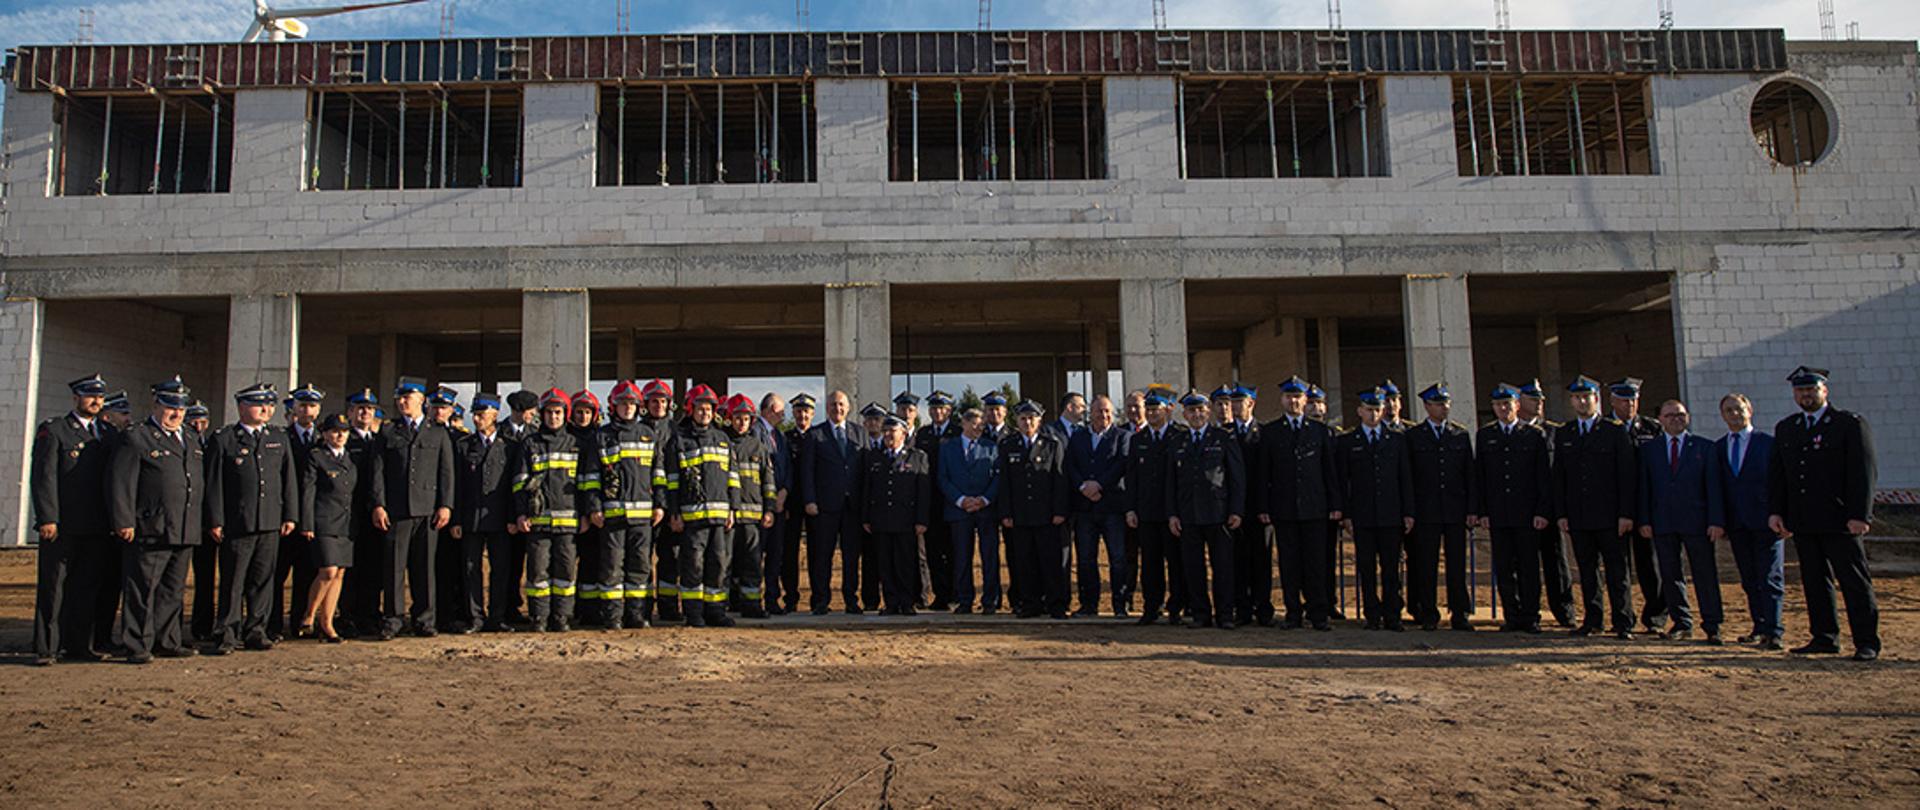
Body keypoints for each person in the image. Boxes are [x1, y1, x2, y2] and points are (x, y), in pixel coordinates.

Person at [1767, 366, 1880, 661]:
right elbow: (1781, 475)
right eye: (1800, 390)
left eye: (1811, 389)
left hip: (1840, 519)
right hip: (1804, 520)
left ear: (1824, 391)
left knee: (1854, 581)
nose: (1805, 395)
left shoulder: (1848, 424)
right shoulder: (1787, 428)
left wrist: (1861, 515)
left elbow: (1863, 472)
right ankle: (1824, 636)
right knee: (1815, 582)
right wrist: (1777, 511)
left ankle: (1866, 641)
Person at [107, 377, 205, 664]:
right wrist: (124, 520)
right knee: (143, 589)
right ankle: (137, 643)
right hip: (151, 525)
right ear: (156, 404)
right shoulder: (138, 436)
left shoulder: (189, 438)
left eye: (181, 408)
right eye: (170, 407)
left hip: (184, 525)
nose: (176, 413)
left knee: (173, 590)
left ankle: (167, 639)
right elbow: (121, 482)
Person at [203, 383, 299, 654]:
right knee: (233, 581)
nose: (266, 409)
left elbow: (287, 479)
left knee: (262, 579)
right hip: (238, 522)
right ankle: (227, 632)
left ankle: (256, 629)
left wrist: (290, 514)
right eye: (260, 404)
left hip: (269, 520)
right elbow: (214, 484)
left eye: (269, 404)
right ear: (242, 407)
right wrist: (215, 519)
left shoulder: (278, 438)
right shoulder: (225, 439)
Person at [29, 373, 119, 665]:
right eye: (90, 396)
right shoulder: (55, 430)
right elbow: (43, 478)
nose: (95, 401)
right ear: (76, 397)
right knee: (54, 587)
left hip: (96, 525)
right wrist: (47, 517)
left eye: (100, 397)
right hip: (63, 524)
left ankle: (79, 645)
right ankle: (47, 647)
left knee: (86, 587)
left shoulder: (107, 434)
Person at [368, 377, 456, 640]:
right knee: (394, 568)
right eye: (400, 398)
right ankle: (393, 619)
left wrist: (446, 505)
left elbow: (446, 473)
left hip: (428, 511)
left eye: (408, 397)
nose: (402, 402)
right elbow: (377, 472)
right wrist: (378, 504)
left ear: (421, 400)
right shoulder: (388, 432)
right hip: (396, 510)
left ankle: (424, 619)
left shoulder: (438, 432)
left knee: (424, 568)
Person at [1553, 376, 1639, 640]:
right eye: (1576, 398)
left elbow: (1627, 476)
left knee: (1617, 571)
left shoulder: (1613, 431)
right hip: (1579, 516)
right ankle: (1593, 620)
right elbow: (1560, 477)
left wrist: (1626, 513)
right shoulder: (1565, 433)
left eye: (1586, 397)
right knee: (1587, 571)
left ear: (1596, 399)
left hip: (1610, 516)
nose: (1581, 401)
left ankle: (1623, 621)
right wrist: (1562, 514)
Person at [1637, 399, 1726, 644]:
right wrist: (1644, 519)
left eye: (1680, 414)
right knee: (1670, 574)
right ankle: (1681, 622)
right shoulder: (1650, 450)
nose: (1676, 419)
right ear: (1661, 420)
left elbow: (1714, 488)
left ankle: (1712, 623)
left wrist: (1716, 520)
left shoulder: (1704, 447)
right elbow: (1645, 488)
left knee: (1704, 573)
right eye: (1670, 415)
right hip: (1663, 522)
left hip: (1697, 522)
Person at [1255, 376, 1340, 631]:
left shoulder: (1319, 431)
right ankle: (1293, 613)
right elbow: (1264, 474)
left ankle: (1318, 614)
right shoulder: (1271, 432)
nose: (1293, 401)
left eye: (1298, 397)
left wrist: (1335, 504)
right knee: (1289, 564)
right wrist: (1264, 507)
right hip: (1284, 509)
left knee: (1316, 563)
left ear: (1305, 400)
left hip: (1315, 508)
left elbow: (1329, 472)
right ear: (1282, 400)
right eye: (1289, 397)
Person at [513, 389, 599, 633]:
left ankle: (562, 616)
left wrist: (585, 514)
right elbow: (519, 482)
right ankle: (539, 617)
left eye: (558, 412)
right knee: (537, 573)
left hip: (568, 521)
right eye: (549, 412)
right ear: (542, 415)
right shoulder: (530, 444)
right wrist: (521, 513)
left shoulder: (575, 444)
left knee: (565, 573)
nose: (553, 417)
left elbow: (585, 484)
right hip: (537, 522)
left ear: (565, 415)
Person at [1474, 384, 1552, 634]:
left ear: (1517, 405)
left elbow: (1543, 477)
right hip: (1499, 514)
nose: (1502, 409)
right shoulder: (1486, 436)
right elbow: (1481, 477)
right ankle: (1512, 614)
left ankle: (1531, 616)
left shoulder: (1533, 435)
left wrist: (1542, 510)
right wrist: (1483, 511)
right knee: (1504, 568)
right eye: (1498, 405)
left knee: (1529, 567)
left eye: (1507, 404)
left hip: (1527, 514)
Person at [1336, 388, 1415, 632]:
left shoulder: (1396, 439)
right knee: (1366, 568)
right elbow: (1343, 481)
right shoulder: (1349, 441)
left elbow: (1405, 479)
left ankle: (1393, 614)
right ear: (1360, 411)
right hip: (1363, 516)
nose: (1373, 414)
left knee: (1392, 568)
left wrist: (1408, 512)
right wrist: (1346, 514)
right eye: (1369, 410)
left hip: (1391, 514)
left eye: (1377, 410)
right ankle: (1372, 614)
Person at [1166, 390, 1245, 630]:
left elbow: (1236, 477)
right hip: (1188, 513)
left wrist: (1236, 510)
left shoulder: (1223, 437)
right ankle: (1201, 614)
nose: (1196, 415)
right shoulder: (1178, 441)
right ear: (1185, 414)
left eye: (1200, 410)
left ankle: (1225, 614)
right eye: (1191, 411)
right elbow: (1171, 482)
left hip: (1218, 513)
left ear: (1208, 412)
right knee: (1193, 567)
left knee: (1223, 566)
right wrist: (1172, 514)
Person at [595, 380, 669, 629]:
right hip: (613, 515)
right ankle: (613, 616)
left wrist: (660, 505)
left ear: (639, 407)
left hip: (643, 516)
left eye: (631, 404)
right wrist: (594, 507)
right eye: (622, 404)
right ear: (613, 406)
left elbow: (659, 475)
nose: (627, 408)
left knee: (640, 567)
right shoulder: (602, 436)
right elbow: (590, 478)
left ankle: (636, 615)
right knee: (612, 567)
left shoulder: (649, 435)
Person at [1715, 393, 1785, 650]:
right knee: (1749, 578)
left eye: (1738, 409)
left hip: (1767, 522)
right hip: (1738, 524)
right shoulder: (1720, 447)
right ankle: (1759, 625)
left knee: (1770, 577)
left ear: (1750, 410)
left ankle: (1775, 630)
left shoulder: (1768, 444)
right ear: (1723, 415)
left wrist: (1781, 514)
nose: (1734, 414)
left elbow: (1780, 483)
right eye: (1729, 410)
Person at [664, 384, 737, 627]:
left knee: (718, 564)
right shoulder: (679, 441)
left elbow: (732, 480)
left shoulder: (723, 440)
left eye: (708, 409)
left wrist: (732, 510)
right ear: (690, 410)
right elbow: (672, 482)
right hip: (691, 518)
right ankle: (694, 613)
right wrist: (674, 512)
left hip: (719, 517)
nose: (704, 413)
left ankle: (715, 611)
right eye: (700, 408)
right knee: (693, 565)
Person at [1405, 383, 1475, 632]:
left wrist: (1471, 509)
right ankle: (1429, 612)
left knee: (1457, 564)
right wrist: (1410, 511)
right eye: (1438, 404)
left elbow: (1469, 475)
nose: (1443, 408)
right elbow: (1409, 478)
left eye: (1446, 403)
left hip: (1455, 510)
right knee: (1426, 564)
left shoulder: (1459, 434)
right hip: (1426, 511)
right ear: (1427, 406)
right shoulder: (1414, 436)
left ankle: (1460, 612)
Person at [996, 400, 1071, 619]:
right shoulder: (1008, 444)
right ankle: (1030, 604)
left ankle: (1056, 603)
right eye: (1023, 418)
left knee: (1050, 562)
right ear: (1016, 421)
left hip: (1047, 515)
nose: (1027, 422)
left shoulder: (1052, 444)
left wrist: (1060, 510)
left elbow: (1060, 480)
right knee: (1024, 562)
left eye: (1031, 418)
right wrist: (1006, 513)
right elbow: (1005, 483)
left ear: (1039, 420)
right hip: (1020, 515)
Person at [452, 392, 519, 633]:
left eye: (482, 415)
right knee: (471, 570)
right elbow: (457, 485)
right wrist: (457, 519)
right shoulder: (464, 446)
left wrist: (513, 517)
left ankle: (497, 617)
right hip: (471, 518)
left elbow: (514, 486)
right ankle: (475, 617)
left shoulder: (509, 447)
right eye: (475, 415)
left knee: (501, 569)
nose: (477, 419)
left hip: (500, 519)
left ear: (494, 415)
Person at [798, 391, 869, 615]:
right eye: (832, 404)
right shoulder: (815, 434)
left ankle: (851, 599)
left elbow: (865, 472)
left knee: (851, 557)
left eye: (841, 405)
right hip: (824, 506)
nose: (837, 408)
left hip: (853, 507)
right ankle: (820, 600)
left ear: (848, 408)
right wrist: (809, 500)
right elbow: (807, 471)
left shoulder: (860, 433)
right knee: (822, 556)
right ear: (826, 408)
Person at [1609, 377, 1667, 633]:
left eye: (1633, 399)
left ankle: (1655, 617)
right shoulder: (1605, 428)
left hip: (1645, 508)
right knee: (1618, 568)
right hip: (1613, 508)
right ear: (1612, 401)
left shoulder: (1651, 429)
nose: (1629, 404)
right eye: (1623, 399)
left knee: (1651, 566)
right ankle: (1623, 619)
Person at [1066, 394, 1130, 617]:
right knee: (1085, 558)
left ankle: (1120, 605)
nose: (1103, 415)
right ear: (1090, 413)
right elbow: (1070, 465)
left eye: (1107, 411)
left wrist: (1100, 485)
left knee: (1118, 558)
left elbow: (1121, 464)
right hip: (1085, 508)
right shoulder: (1078, 437)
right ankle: (1089, 604)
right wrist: (1083, 486)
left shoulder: (1122, 436)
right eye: (1098, 411)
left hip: (1112, 506)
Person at [861, 415, 932, 615]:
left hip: (906, 520)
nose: (888, 435)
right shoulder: (875, 456)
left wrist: (921, 519)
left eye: (893, 431)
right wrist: (866, 517)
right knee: (885, 563)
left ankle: (907, 601)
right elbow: (868, 488)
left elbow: (923, 492)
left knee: (906, 562)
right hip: (881, 518)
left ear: (904, 433)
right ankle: (891, 602)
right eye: (886, 431)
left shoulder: (917, 457)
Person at [270, 382, 325, 642]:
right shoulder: (281, 438)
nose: (307, 411)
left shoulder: (322, 439)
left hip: (312, 518)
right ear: (294, 408)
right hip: (285, 517)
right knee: (277, 575)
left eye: (312, 405)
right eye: (302, 405)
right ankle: (272, 625)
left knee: (306, 573)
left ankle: (299, 623)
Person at [1126, 386, 1185, 625]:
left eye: (1155, 409)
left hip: (1173, 512)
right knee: (1150, 564)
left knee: (1176, 562)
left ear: (1168, 409)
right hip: (1147, 512)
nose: (1150, 414)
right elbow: (1132, 478)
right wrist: (1131, 508)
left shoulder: (1179, 436)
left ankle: (1177, 607)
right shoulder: (1138, 439)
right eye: (1148, 410)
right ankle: (1152, 607)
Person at [1519, 378, 1576, 627]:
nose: (1539, 403)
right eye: (1533, 399)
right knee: (1525, 564)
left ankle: (1565, 612)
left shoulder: (1554, 431)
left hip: (1551, 509)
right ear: (1519, 402)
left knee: (1557, 564)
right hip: (1523, 510)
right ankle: (1528, 612)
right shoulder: (1514, 432)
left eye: (1541, 399)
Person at [297, 414, 358, 643]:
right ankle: (309, 615)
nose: (340, 435)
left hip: (345, 524)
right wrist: (307, 522)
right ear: (324, 434)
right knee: (328, 570)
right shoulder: (317, 457)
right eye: (334, 431)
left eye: (343, 431)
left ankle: (328, 623)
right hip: (323, 522)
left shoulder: (349, 460)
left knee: (340, 574)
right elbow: (308, 491)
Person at [940, 408, 1002, 614]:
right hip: (959, 510)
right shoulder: (948, 448)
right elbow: (943, 478)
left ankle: (990, 600)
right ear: (964, 424)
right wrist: (961, 500)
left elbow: (997, 478)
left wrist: (984, 500)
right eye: (975, 423)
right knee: (962, 556)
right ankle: (964, 599)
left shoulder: (991, 447)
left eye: (981, 424)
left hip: (986, 510)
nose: (979, 428)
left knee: (990, 556)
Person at [723, 393, 777, 619]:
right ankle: (727, 604)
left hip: (753, 518)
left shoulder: (758, 447)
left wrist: (769, 509)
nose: (742, 423)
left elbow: (768, 480)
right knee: (725, 562)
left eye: (746, 418)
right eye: (737, 418)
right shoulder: (722, 443)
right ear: (729, 418)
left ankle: (752, 605)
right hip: (728, 517)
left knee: (753, 563)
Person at [339, 388, 386, 636]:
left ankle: (369, 613)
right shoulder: (345, 441)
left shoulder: (379, 440)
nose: (365, 412)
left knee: (373, 568)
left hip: (375, 515)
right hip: (349, 514)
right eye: (360, 408)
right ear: (350, 413)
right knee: (350, 568)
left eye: (369, 409)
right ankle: (347, 615)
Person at [1224, 384, 1269, 626]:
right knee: (1237, 561)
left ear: (1251, 403)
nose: (1234, 406)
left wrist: (1265, 507)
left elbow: (1268, 474)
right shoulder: (1225, 433)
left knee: (1260, 561)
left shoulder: (1264, 433)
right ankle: (1242, 608)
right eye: (1232, 402)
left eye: (1239, 402)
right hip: (1233, 509)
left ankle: (1263, 608)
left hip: (1258, 508)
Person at [913, 391, 959, 611]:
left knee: (953, 550)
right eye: (933, 408)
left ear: (949, 410)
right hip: (930, 501)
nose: (936, 412)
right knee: (932, 551)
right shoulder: (923, 434)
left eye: (941, 408)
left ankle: (955, 594)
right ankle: (940, 595)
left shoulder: (958, 432)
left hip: (952, 499)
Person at [755, 392, 794, 615]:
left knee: (775, 554)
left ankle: (771, 598)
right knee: (756, 554)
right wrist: (769, 501)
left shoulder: (780, 437)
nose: (783, 415)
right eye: (780, 411)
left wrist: (784, 493)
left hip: (779, 506)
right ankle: (752, 599)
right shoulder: (755, 432)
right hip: (760, 506)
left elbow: (787, 468)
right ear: (769, 410)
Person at [777, 392, 814, 614]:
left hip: (814, 504)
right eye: (798, 411)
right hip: (791, 504)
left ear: (812, 413)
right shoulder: (785, 438)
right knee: (789, 554)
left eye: (806, 411)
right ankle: (791, 597)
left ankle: (819, 598)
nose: (802, 415)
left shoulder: (819, 436)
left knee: (817, 553)